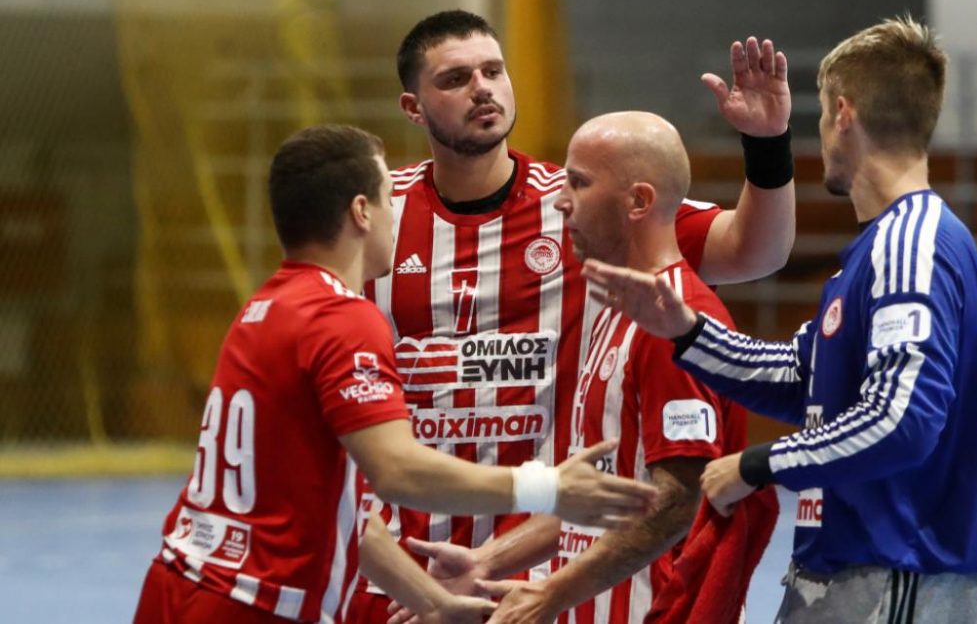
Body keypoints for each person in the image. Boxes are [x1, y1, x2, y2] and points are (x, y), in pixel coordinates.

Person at [350, 9, 796, 620]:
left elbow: (755, 249)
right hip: (403, 570)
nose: (481, 88)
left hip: (542, 569)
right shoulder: (374, 220)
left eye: (493, 71)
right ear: (413, 107)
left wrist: (768, 145)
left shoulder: (582, 205)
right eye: (455, 79)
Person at [132, 124, 659, 624]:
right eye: (389, 199)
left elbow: (347, 511)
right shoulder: (341, 316)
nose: (396, 215)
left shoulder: (266, 307)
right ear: (362, 212)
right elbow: (398, 471)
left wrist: (434, 603)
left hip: (180, 582)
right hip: (252, 603)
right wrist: (549, 487)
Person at [582, 16, 977, 623]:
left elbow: (902, 420)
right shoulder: (882, 248)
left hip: (894, 575)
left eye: (822, 116)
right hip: (856, 573)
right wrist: (688, 333)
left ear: (843, 115)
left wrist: (760, 464)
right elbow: (801, 376)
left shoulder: (910, 245)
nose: (821, 135)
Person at [410, 111, 779, 624]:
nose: (560, 201)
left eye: (579, 183)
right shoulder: (611, 312)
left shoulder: (673, 320)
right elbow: (608, 495)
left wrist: (550, 594)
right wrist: (488, 561)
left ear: (639, 201)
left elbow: (678, 500)